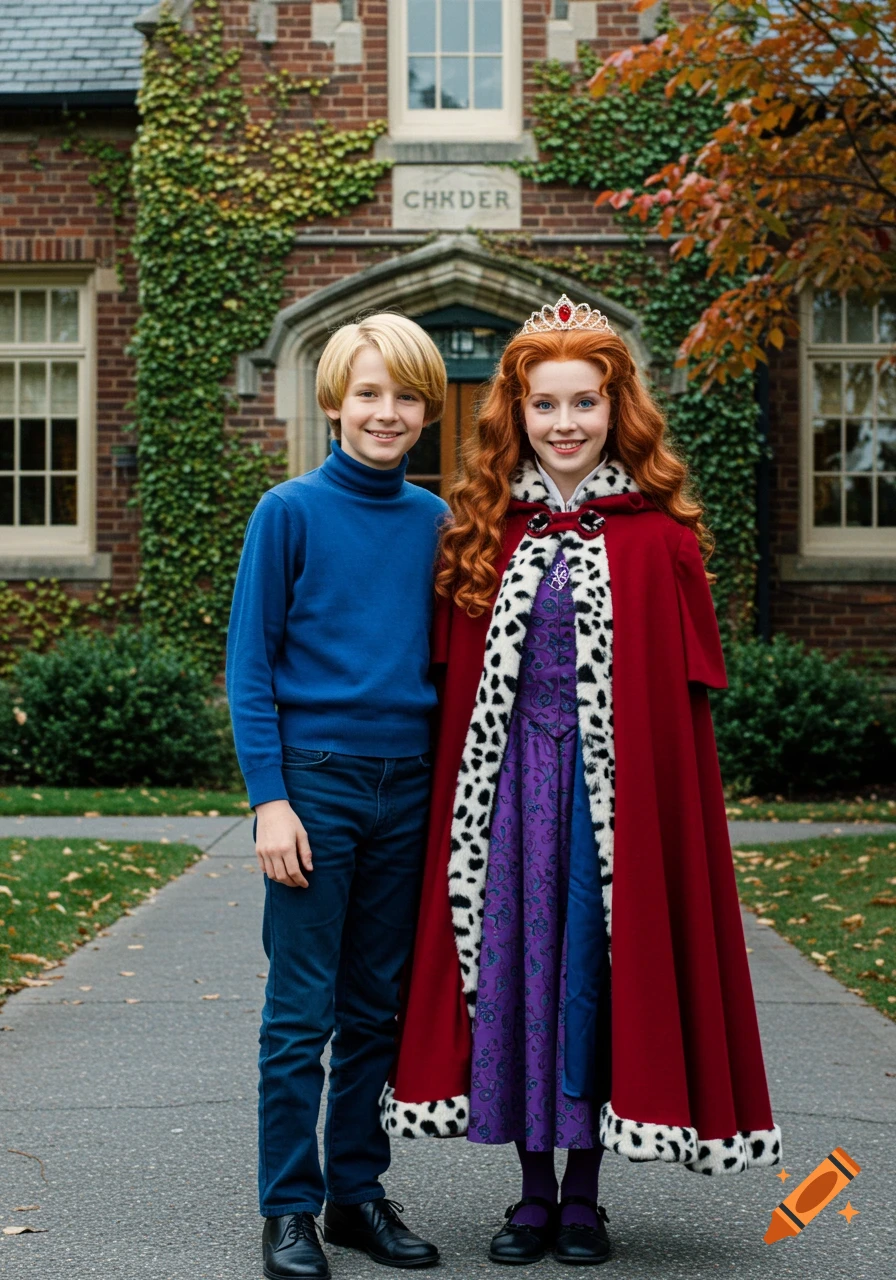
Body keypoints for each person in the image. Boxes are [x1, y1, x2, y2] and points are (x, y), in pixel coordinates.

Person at [382, 296, 782, 1266]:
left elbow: (677, 716)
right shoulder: (482, 531)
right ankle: (528, 1192)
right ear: (514, 414)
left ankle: (585, 1197)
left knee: (595, 981)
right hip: (506, 797)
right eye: (543, 404)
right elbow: (451, 685)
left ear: (618, 409)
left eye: (585, 403)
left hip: (615, 808)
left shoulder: (658, 538)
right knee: (514, 973)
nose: (564, 424)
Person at [226, 312, 449, 1280]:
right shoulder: (288, 511)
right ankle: (288, 1205)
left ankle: (356, 1192)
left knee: (376, 1008)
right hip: (315, 784)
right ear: (332, 402)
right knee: (300, 1011)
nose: (385, 411)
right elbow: (249, 665)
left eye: (404, 395)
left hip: (410, 786)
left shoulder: (437, 523)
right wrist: (270, 799)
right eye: (367, 392)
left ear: (426, 410)